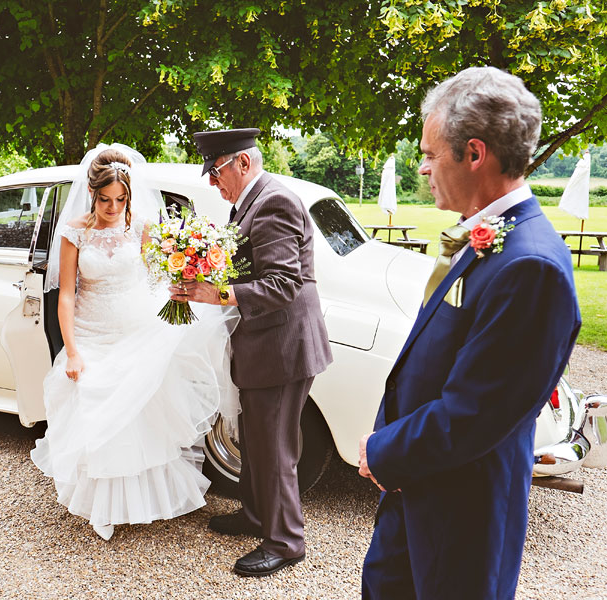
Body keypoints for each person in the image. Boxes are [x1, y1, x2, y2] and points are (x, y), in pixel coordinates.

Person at [359, 67, 581, 599]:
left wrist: (383, 450)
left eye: (431, 153)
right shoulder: (491, 236)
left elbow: (476, 412)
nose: (422, 166)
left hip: (462, 516)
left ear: (474, 154)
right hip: (421, 487)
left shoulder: (531, 266)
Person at [30, 145, 235, 541]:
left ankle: (143, 503)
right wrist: (72, 351)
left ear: (129, 195)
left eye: (120, 199)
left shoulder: (141, 226)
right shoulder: (74, 231)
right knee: (99, 417)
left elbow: (155, 277)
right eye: (105, 200)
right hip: (92, 334)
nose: (113, 207)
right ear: (93, 194)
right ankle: (103, 509)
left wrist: (179, 291)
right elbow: (67, 295)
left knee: (138, 417)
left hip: (137, 329)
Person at [172, 128, 333, 577]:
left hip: (282, 348)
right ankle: (256, 515)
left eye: (216, 170)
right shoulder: (251, 202)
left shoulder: (274, 203)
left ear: (243, 163)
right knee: (256, 439)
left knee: (276, 447)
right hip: (266, 345)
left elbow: (282, 284)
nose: (211, 181)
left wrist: (213, 292)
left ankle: (286, 542)